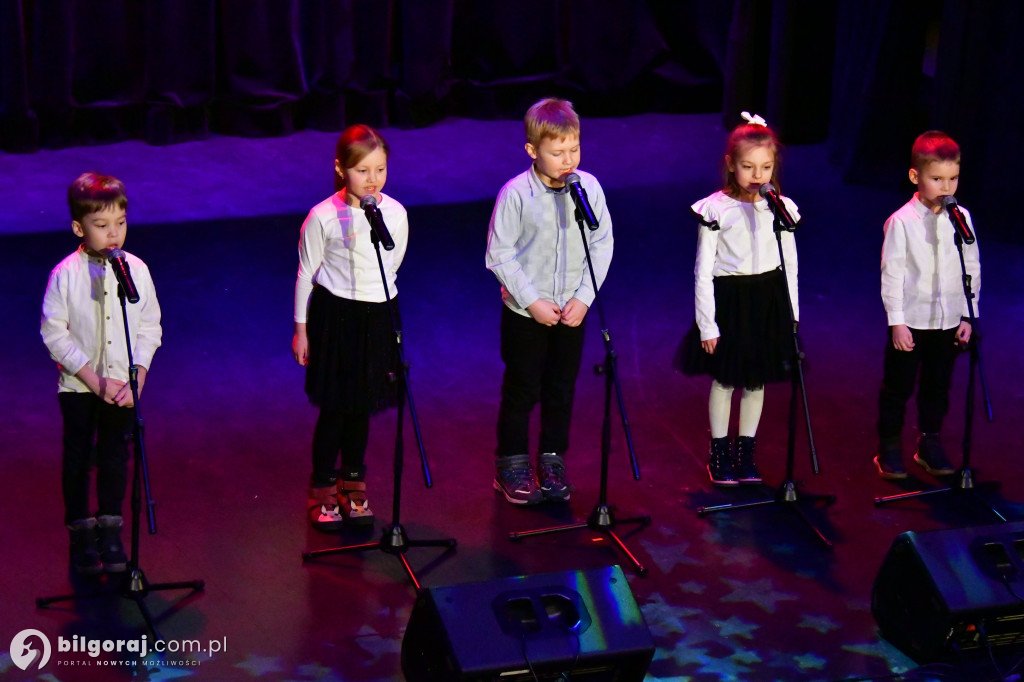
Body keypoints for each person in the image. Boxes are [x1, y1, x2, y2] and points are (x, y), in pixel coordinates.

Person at [485, 97, 613, 505]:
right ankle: (512, 465)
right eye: (557, 153)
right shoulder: (516, 194)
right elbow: (499, 254)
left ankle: (552, 460)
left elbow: (602, 242)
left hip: (571, 312)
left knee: (561, 387)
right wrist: (532, 301)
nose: (568, 160)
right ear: (532, 151)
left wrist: (584, 298)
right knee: (523, 389)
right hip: (527, 313)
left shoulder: (588, 188)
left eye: (574, 149)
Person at [41, 172, 162, 574]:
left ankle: (111, 533)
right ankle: (80, 536)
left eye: (120, 224)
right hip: (80, 387)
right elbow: (54, 333)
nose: (114, 234)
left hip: (123, 389)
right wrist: (94, 379)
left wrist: (137, 378)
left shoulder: (136, 270)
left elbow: (149, 325)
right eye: (101, 225)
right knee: (77, 458)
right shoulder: (65, 274)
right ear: (79, 227)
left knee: (114, 456)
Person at [293, 124, 408, 531]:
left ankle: (354, 484)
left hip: (376, 316)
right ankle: (324, 490)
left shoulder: (394, 213)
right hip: (336, 316)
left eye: (380, 169)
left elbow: (391, 266)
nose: (373, 179)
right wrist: (301, 329)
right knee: (336, 407)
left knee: (363, 405)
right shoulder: (323, 216)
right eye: (363, 170)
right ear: (341, 169)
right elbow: (307, 274)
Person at [675, 113, 800, 487]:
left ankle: (746, 451)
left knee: (756, 380)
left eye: (765, 166)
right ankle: (719, 451)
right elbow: (703, 271)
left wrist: (792, 315)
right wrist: (707, 323)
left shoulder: (780, 208)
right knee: (726, 379)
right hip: (730, 300)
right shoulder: (716, 209)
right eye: (748, 166)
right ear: (731, 165)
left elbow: (789, 264)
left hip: (767, 300)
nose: (758, 175)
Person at [874, 131, 979, 479]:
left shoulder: (960, 217)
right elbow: (892, 275)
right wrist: (897, 321)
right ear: (915, 177)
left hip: (948, 319)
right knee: (898, 386)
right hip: (913, 320)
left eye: (953, 178)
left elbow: (972, 267)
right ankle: (888, 445)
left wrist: (969, 315)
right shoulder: (902, 222)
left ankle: (929, 441)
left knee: (938, 385)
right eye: (937, 179)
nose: (946, 187)